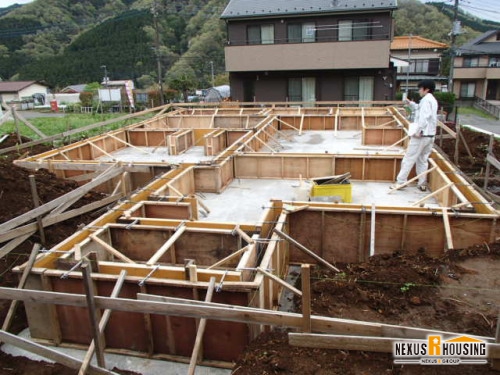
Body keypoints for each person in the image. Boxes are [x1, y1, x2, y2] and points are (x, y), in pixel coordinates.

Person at [390, 80, 438, 191]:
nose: (419, 91)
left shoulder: (426, 100)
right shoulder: (432, 100)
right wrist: (410, 103)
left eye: (420, 88)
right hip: (430, 136)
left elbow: (424, 117)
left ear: (426, 89)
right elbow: (419, 109)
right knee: (422, 160)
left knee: (409, 158)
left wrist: (418, 131)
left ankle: (401, 182)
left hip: (421, 135)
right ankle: (422, 183)